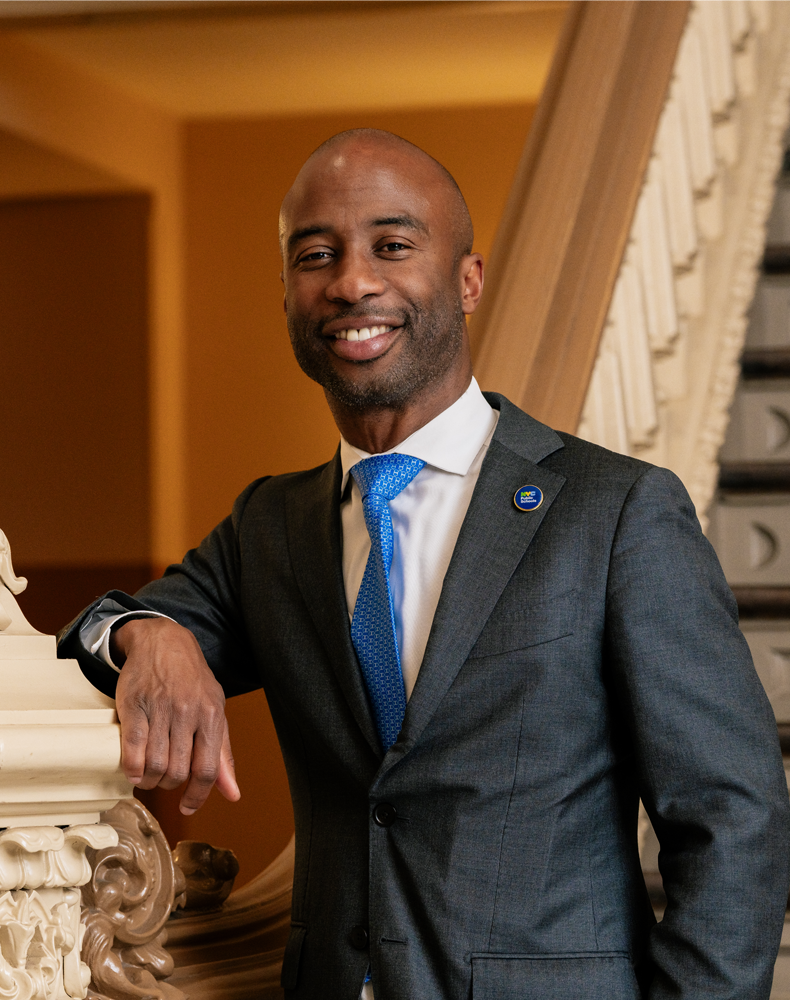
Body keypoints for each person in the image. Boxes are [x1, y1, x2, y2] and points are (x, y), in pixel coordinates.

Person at [58, 129, 790, 1000]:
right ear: (287, 295)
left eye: (393, 245)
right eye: (316, 255)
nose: (352, 282)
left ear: (468, 281)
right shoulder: (270, 527)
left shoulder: (616, 512)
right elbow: (87, 639)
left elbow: (732, 818)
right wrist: (150, 632)